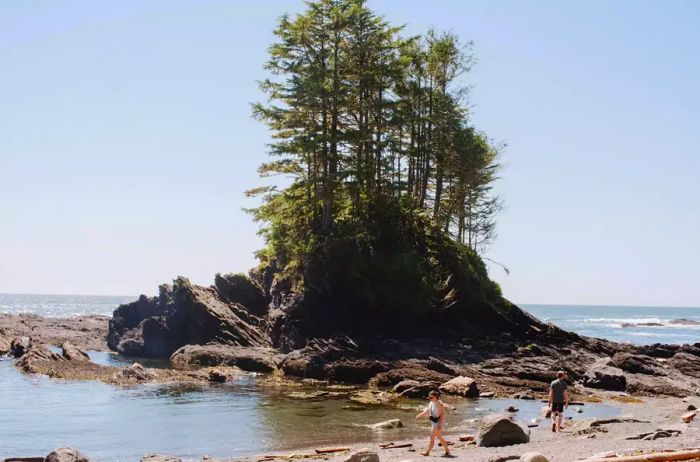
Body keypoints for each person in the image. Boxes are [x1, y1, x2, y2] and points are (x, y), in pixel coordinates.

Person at [415, 390, 451, 457]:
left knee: (432, 437)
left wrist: (439, 424)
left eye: (431, 397)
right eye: (429, 397)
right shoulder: (431, 402)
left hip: (438, 422)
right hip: (434, 422)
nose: (430, 399)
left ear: (436, 396)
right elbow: (427, 411)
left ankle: (427, 452)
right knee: (439, 437)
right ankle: (447, 450)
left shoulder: (440, 404)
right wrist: (419, 416)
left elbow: (442, 414)